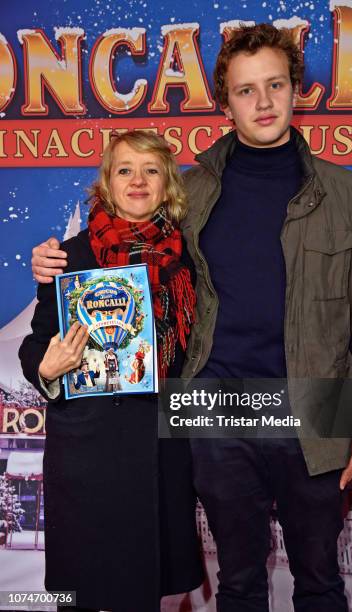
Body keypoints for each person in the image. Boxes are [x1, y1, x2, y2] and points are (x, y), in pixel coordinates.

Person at [30, 24, 352, 612]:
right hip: (214, 411)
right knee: (240, 584)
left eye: (275, 84)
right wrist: (50, 261)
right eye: (246, 90)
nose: (263, 102)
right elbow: (124, 236)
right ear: (225, 102)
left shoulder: (347, 195)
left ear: (296, 89)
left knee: (321, 582)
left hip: (313, 408)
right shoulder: (192, 191)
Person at [20, 130, 203, 612]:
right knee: (78, 595)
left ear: (167, 184)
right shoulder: (69, 256)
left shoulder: (189, 262)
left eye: (151, 170)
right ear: (107, 182)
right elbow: (35, 344)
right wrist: (48, 367)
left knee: (143, 594)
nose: (137, 181)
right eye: (125, 169)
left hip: (158, 453)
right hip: (86, 456)